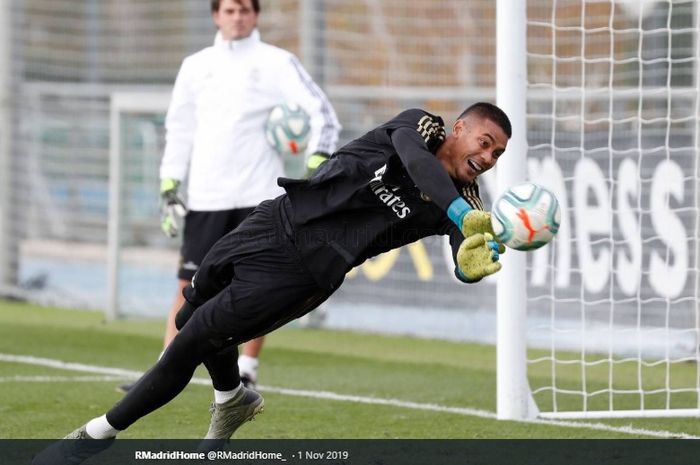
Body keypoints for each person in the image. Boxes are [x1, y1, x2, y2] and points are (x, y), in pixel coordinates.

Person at [33, 102, 510, 464]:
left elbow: (462, 258)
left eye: (497, 154)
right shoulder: (422, 127)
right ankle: (232, 398)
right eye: (484, 141)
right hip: (277, 219)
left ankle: (92, 437)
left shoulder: (469, 202)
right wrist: (461, 215)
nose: (487, 157)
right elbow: (418, 163)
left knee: (193, 338)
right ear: (460, 128)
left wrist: (472, 263)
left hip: (305, 270)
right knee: (190, 310)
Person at [118, 0, 341, 393]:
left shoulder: (277, 62)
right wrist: (169, 184)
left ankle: (248, 367)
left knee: (261, 285)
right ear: (215, 15)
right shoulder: (196, 66)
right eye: (229, 10)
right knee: (189, 284)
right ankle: (164, 368)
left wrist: (317, 162)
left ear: (255, 15)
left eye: (244, 10)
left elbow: (322, 111)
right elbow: (180, 127)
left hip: (259, 196)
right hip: (206, 195)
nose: (237, 17)